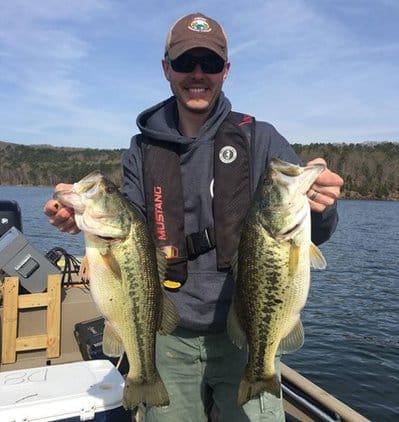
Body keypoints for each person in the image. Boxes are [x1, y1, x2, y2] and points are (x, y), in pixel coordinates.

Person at [44, 12, 343, 422]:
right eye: (185, 63)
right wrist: (76, 219)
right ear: (167, 69)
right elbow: (129, 232)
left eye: (211, 64)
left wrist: (323, 207)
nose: (197, 74)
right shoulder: (142, 150)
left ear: (226, 70)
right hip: (168, 333)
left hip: (244, 329)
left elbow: (312, 230)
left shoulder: (261, 138)